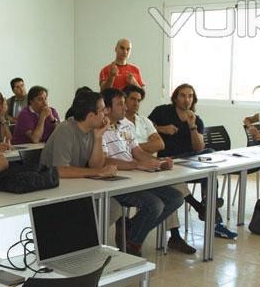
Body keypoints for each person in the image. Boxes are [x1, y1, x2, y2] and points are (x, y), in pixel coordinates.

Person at [149, 83, 238, 239]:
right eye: (183, 95)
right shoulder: (162, 111)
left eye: (190, 96)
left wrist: (192, 126)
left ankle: (207, 204)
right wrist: (162, 129)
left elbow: (198, 148)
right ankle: (209, 209)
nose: (186, 99)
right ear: (175, 98)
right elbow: (144, 127)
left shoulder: (196, 119)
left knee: (209, 161)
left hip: (189, 160)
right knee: (183, 177)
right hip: (170, 160)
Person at [102, 88, 183, 257]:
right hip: (116, 179)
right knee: (154, 205)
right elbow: (104, 161)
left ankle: (132, 231)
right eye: (120, 104)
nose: (125, 108)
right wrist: (136, 165)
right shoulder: (100, 129)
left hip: (135, 175)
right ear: (107, 108)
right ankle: (134, 242)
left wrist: (157, 163)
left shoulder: (127, 125)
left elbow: (137, 151)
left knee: (176, 197)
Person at [123, 85, 196, 254]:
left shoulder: (144, 121)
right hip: (131, 170)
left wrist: (136, 149)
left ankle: (135, 226)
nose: (136, 104)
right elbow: (126, 151)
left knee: (175, 192)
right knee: (169, 192)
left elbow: (159, 144)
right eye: (132, 99)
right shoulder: (119, 124)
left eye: (139, 100)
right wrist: (141, 151)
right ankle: (174, 234)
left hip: (150, 166)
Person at [39, 91, 122, 227]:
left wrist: (98, 137)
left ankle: (90, 241)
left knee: (113, 207)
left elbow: (96, 166)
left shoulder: (92, 130)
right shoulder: (65, 129)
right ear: (90, 115)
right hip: (54, 189)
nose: (105, 113)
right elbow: (60, 171)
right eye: (102, 110)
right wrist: (98, 172)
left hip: (76, 186)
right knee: (103, 208)